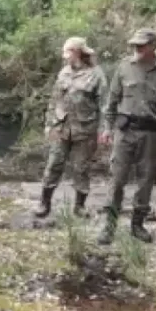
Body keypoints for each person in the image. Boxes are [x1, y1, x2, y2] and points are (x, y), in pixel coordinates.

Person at [97, 28, 156, 244]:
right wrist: (107, 128)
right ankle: (109, 225)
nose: (137, 49)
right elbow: (112, 101)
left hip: (152, 133)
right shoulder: (125, 66)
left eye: (141, 45)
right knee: (117, 179)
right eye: (135, 45)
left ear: (153, 46)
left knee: (146, 180)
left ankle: (137, 224)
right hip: (125, 131)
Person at [34, 37, 107, 219]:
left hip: (85, 130)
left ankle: (79, 206)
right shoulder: (63, 73)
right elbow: (54, 100)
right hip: (62, 128)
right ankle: (44, 203)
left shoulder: (96, 74)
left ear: (78, 52)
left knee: (81, 169)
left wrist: (105, 129)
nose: (66, 57)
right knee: (53, 165)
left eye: (69, 53)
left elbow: (105, 105)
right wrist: (49, 125)